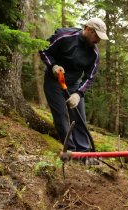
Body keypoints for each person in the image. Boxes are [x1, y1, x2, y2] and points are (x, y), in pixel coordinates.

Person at [39, 18, 108, 153]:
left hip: (73, 85)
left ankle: (83, 152)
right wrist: (53, 66)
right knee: (61, 116)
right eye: (96, 36)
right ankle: (70, 150)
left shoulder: (94, 53)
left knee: (79, 117)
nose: (98, 40)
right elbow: (43, 49)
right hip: (54, 81)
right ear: (88, 29)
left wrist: (79, 93)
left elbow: (90, 77)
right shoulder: (64, 36)